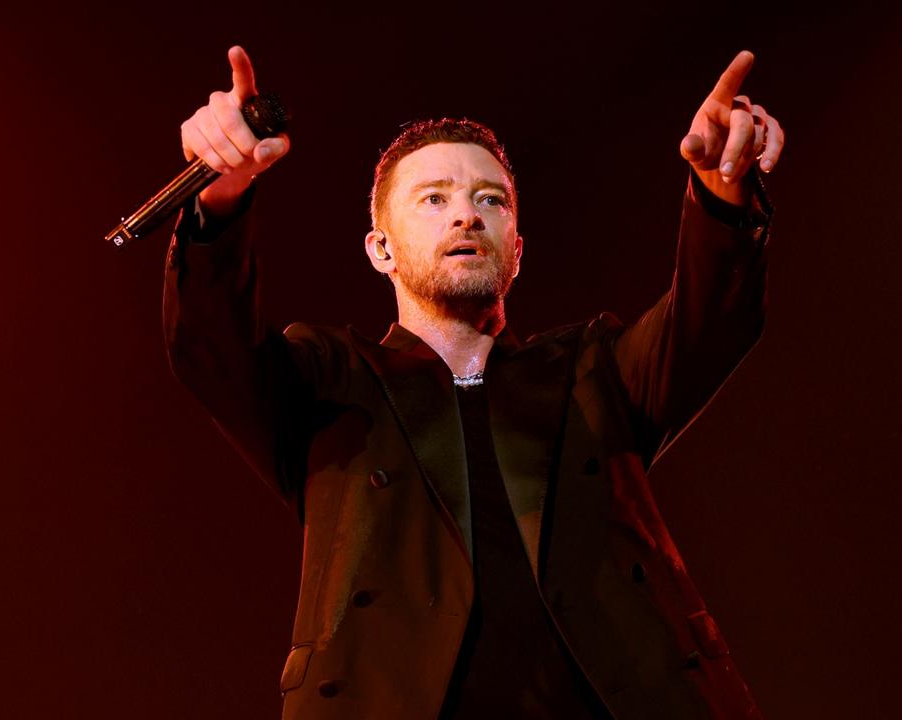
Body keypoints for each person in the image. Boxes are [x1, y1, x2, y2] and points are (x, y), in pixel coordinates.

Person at [163, 44, 783, 720]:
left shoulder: (592, 369)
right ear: (382, 249)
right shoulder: (329, 383)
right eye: (434, 199)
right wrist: (220, 195)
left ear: (516, 248)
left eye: (490, 199)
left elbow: (711, 322)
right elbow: (212, 347)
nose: (467, 215)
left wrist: (722, 195)